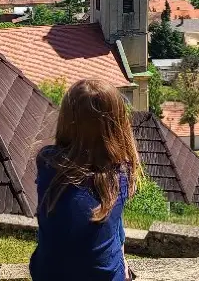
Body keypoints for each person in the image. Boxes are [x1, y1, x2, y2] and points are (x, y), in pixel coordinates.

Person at [30, 78, 140, 281]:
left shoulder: (46, 162)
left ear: (66, 120)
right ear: (117, 125)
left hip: (48, 274)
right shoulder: (120, 173)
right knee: (110, 209)